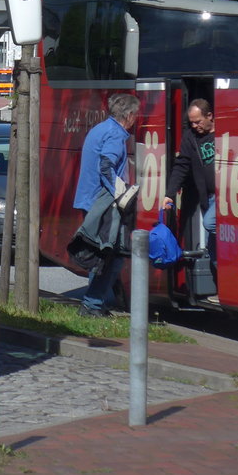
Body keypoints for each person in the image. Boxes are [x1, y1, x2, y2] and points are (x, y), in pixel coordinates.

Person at [72, 92, 140, 317]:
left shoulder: (100, 129)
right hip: (104, 204)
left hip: (91, 200)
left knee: (103, 255)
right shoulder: (115, 135)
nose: (136, 119)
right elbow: (106, 166)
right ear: (128, 115)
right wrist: (120, 193)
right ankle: (91, 305)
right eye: (135, 115)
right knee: (113, 257)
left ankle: (94, 304)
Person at [162, 98, 217, 262]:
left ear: (210, 116)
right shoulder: (190, 137)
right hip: (208, 198)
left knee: (209, 223)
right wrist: (170, 193)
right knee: (213, 253)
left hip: (226, 198)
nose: (194, 126)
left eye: (198, 122)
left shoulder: (224, 131)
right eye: (191, 123)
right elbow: (181, 166)